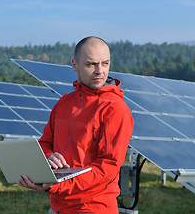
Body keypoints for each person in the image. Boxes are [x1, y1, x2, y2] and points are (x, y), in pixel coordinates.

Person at [17, 36, 134, 214]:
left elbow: (107, 168)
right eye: (91, 64)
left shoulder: (115, 109)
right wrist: (49, 157)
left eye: (105, 63)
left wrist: (57, 185)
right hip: (57, 207)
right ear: (74, 65)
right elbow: (45, 143)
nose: (99, 71)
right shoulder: (64, 103)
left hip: (93, 209)